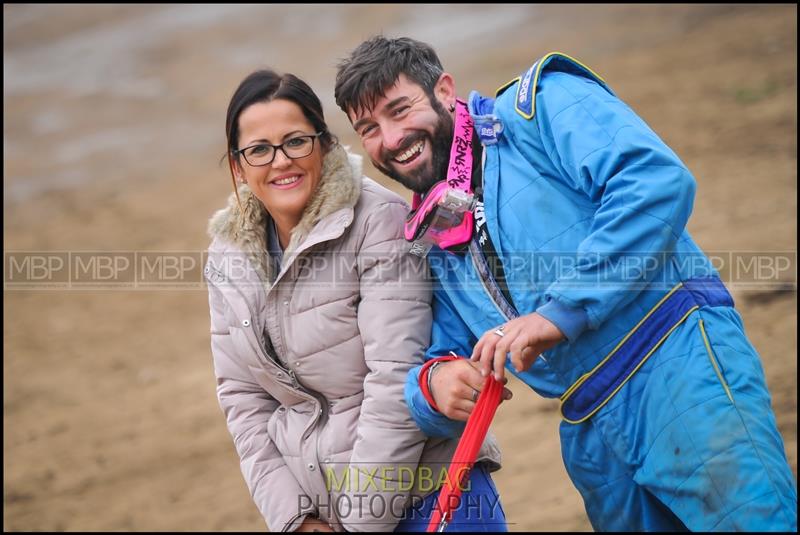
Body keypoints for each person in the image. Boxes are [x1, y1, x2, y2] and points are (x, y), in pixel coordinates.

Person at [334, 36, 798, 531]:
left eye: (399, 110)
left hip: (674, 358)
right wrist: (434, 387)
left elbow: (655, 181)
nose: (390, 138)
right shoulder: (434, 228)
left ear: (444, 91)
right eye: (369, 129)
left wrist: (561, 310)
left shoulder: (539, 106)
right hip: (587, 427)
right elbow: (440, 352)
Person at [204, 69, 505, 532]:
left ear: (324, 145)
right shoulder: (227, 257)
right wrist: (297, 519)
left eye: (296, 142)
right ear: (238, 166)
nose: (280, 161)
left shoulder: (378, 223)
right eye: (259, 150)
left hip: (432, 497)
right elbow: (243, 400)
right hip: (325, 514)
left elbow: (394, 379)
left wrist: (360, 523)